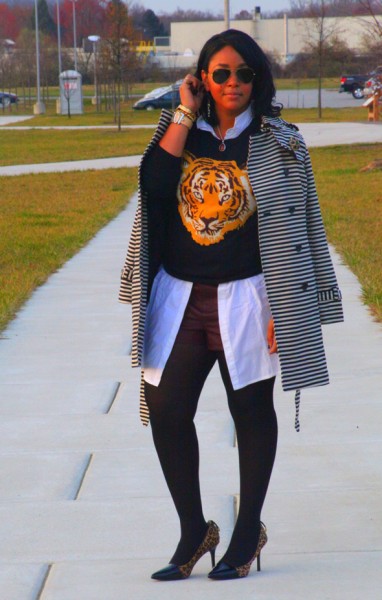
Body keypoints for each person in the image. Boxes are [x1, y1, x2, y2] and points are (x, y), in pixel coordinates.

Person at [119, 29, 343, 581]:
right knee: (167, 411)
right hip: (181, 294)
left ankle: (247, 533)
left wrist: (292, 309)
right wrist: (181, 111)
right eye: (221, 73)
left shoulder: (281, 141)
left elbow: (307, 226)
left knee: (250, 413)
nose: (234, 83)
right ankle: (195, 531)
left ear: (257, 78)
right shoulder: (181, 131)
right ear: (202, 77)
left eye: (244, 73)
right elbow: (151, 186)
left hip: (250, 297)